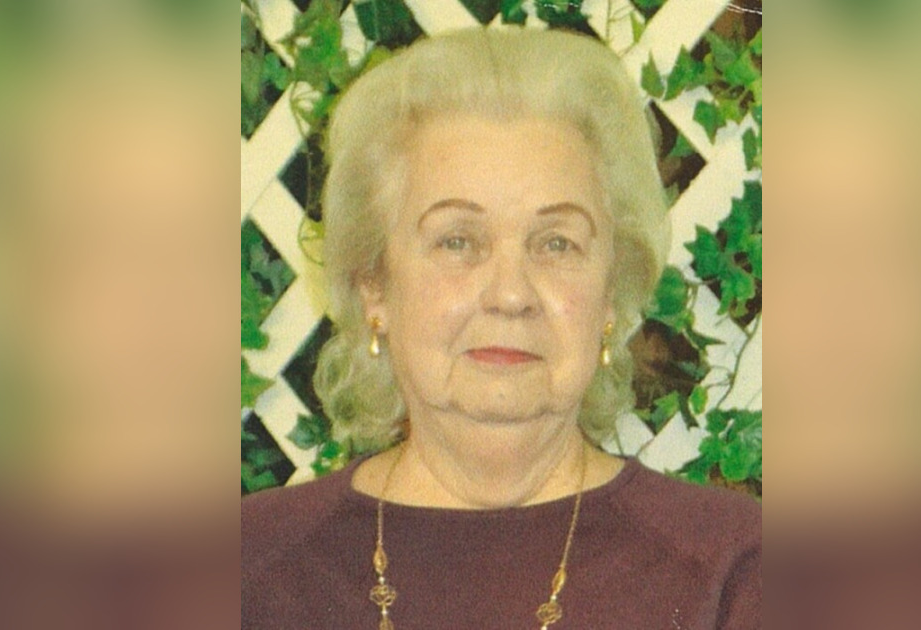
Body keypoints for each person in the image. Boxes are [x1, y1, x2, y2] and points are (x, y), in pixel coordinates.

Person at [242, 27, 760, 629]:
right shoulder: (241, 572)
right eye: (458, 241)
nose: (511, 295)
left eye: (557, 243)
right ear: (374, 286)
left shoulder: (741, 575)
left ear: (611, 293)